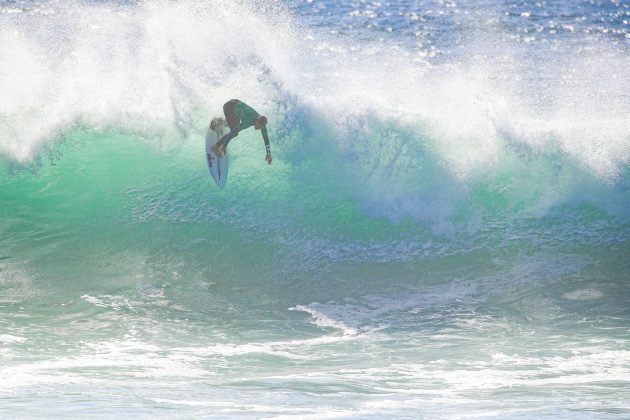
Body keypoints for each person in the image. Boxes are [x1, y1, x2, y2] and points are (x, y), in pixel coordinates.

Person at [211, 99, 272, 165]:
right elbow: (234, 131)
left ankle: (218, 121)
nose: (258, 128)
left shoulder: (262, 124)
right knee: (234, 132)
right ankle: (215, 146)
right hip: (229, 106)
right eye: (257, 125)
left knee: (234, 123)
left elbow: (266, 139)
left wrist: (268, 153)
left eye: (260, 127)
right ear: (256, 121)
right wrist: (224, 145)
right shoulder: (248, 121)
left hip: (235, 107)